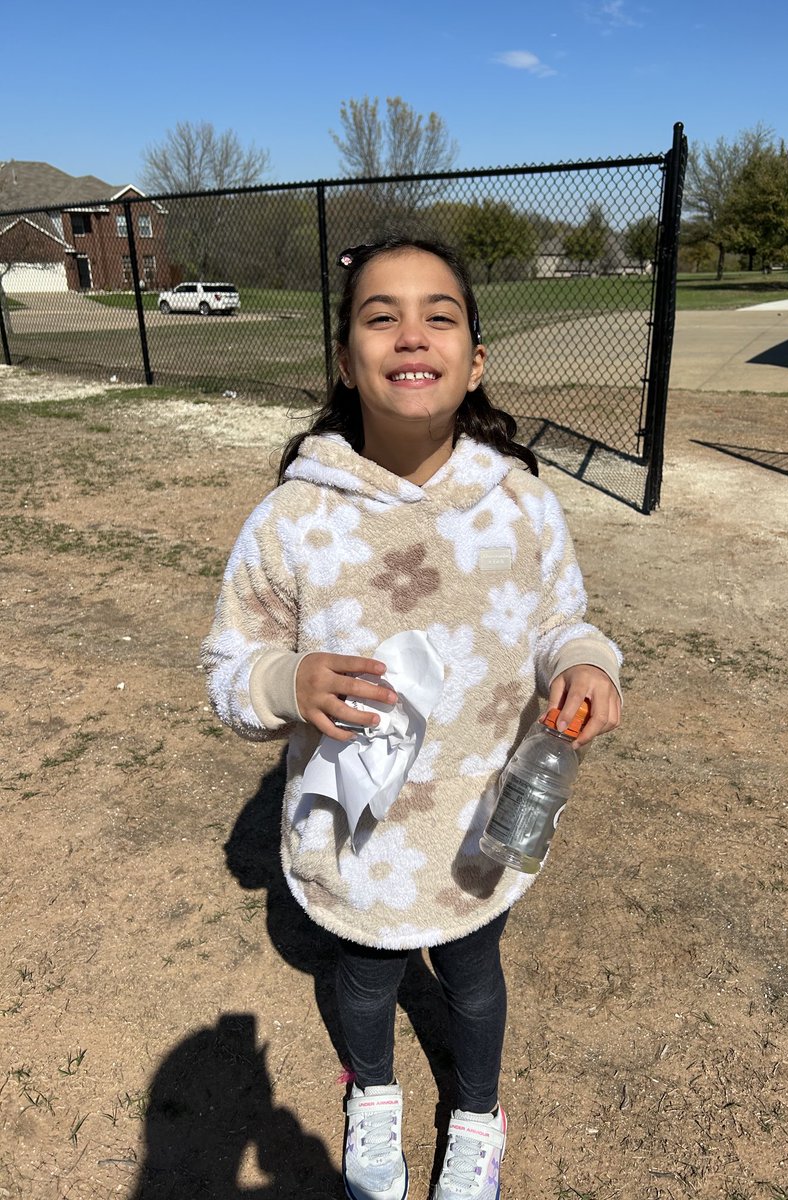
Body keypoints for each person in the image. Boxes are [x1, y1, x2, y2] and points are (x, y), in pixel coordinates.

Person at [201, 236, 622, 1200]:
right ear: (345, 362)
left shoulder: (520, 505)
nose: (411, 334)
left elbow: (561, 620)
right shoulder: (294, 520)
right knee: (363, 981)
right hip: (359, 838)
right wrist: (285, 682)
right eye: (380, 315)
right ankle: (374, 1091)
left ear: (475, 360)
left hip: (481, 824)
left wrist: (585, 662)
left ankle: (477, 1112)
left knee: (472, 978)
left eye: (440, 314)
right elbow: (227, 665)